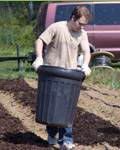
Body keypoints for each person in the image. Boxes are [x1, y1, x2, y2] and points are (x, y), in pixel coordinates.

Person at [32, 6, 91, 150]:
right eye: (80, 23)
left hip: (69, 76)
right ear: (73, 18)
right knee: (52, 107)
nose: (82, 27)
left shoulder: (82, 34)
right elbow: (40, 41)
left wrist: (85, 65)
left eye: (84, 24)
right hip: (52, 73)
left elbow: (86, 51)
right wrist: (39, 58)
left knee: (67, 108)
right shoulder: (57, 27)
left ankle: (66, 140)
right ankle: (51, 135)